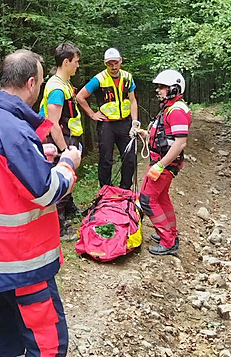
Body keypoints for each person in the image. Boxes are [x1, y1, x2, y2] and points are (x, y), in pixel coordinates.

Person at [0, 49, 81, 357]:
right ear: (31, 83)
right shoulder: (14, 130)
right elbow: (46, 191)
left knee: (8, 329)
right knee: (49, 342)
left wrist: (34, 154)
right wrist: (68, 165)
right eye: (41, 82)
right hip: (22, 261)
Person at [136, 69, 191, 255]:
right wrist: (145, 134)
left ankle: (168, 241)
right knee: (161, 198)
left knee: (147, 200)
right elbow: (164, 135)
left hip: (165, 164)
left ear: (174, 88)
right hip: (162, 162)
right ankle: (170, 233)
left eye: (162, 87)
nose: (158, 90)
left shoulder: (176, 111)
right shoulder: (170, 108)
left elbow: (180, 142)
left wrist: (160, 166)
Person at [76, 47, 139, 190]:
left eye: (116, 63)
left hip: (125, 123)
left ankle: (125, 189)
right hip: (107, 125)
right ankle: (105, 191)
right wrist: (92, 114)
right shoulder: (99, 79)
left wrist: (135, 122)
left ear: (121, 61)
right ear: (105, 64)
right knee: (106, 159)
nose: (114, 67)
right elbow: (80, 96)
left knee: (130, 158)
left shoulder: (127, 78)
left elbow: (133, 100)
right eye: (110, 64)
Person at [39, 42, 84, 241]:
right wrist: (65, 150)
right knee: (61, 177)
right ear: (66, 62)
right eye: (76, 61)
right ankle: (58, 226)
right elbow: (53, 124)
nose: (78, 65)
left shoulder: (64, 83)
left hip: (69, 135)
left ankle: (70, 207)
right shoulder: (57, 88)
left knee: (70, 175)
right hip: (59, 139)